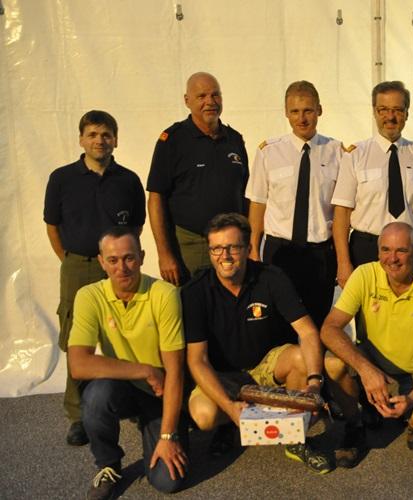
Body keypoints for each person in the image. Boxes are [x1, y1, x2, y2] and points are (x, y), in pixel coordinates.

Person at [181, 213, 359, 474]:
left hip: (264, 367)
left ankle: (295, 440)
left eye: (233, 247)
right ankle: (232, 422)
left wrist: (314, 383)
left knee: (301, 358)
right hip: (222, 375)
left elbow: (308, 332)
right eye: (216, 248)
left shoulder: (271, 277)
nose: (225, 256)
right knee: (203, 416)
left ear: (248, 248)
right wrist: (230, 408)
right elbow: (197, 360)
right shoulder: (195, 291)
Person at [43, 110, 145, 447]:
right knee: (76, 336)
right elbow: (52, 226)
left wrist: (119, 262)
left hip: (119, 268)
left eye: (106, 134)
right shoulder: (62, 179)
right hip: (79, 265)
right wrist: (71, 260)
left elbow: (136, 226)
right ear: (81, 139)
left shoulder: (128, 180)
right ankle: (78, 415)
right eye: (92, 134)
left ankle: (133, 400)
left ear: (115, 139)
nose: (99, 140)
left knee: (129, 330)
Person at [67, 227, 188, 499]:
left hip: (160, 392)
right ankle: (108, 465)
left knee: (168, 481)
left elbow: (175, 370)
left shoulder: (164, 294)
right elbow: (78, 365)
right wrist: (145, 370)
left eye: (129, 258)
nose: (121, 268)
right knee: (96, 395)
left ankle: (157, 428)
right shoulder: (89, 296)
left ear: (142, 257)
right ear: (101, 262)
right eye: (113, 260)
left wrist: (168, 437)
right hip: (127, 385)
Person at [321, 222, 413, 463]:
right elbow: (329, 329)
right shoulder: (364, 274)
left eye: (401, 250)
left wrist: (412, 399)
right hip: (373, 366)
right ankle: (355, 425)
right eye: (385, 250)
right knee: (332, 363)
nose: (392, 259)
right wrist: (366, 369)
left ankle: (397, 411)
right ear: (378, 251)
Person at [249, 81, 341, 327]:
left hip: (320, 253)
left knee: (318, 321)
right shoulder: (269, 151)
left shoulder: (337, 152)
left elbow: (341, 210)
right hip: (280, 252)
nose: (302, 118)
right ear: (286, 113)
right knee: (278, 322)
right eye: (295, 111)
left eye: (308, 110)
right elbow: (258, 204)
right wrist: (253, 249)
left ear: (319, 110)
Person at [331, 81, 413, 289]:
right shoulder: (356, 155)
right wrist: (343, 263)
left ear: (407, 113)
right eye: (383, 110)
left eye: (397, 110)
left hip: (408, 252)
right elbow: (342, 214)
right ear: (374, 112)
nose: (390, 117)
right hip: (366, 250)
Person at [146, 72, 249, 286]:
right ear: (187, 101)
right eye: (201, 96)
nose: (210, 102)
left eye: (215, 95)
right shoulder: (172, 140)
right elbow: (156, 198)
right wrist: (165, 255)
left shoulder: (234, 139)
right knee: (193, 304)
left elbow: (246, 194)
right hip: (192, 247)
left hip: (232, 247)